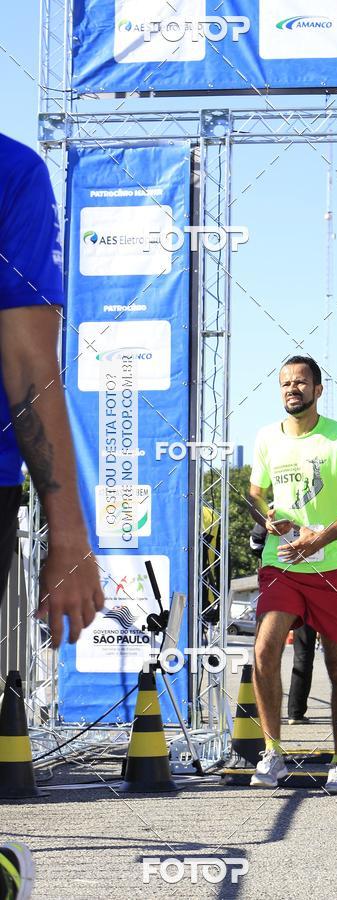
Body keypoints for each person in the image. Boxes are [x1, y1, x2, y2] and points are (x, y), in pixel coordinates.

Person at [248, 355, 337, 793]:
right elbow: (254, 492)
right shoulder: (267, 438)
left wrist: (318, 541)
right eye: (285, 382)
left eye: (301, 382)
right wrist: (263, 515)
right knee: (264, 649)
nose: (292, 389)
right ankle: (273, 754)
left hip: (334, 568)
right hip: (281, 563)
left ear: (318, 390)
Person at [0, 134, 103, 647]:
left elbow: (28, 360)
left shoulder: (11, 171)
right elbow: (28, 361)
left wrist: (67, 536)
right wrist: (67, 538)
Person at [249, 521, 316, 725]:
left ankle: (281, 712)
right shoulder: (313, 511)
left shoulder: (274, 509)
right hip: (299, 585)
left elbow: (254, 544)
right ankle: (294, 712)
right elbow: (256, 543)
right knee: (297, 654)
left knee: (269, 652)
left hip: (284, 586)